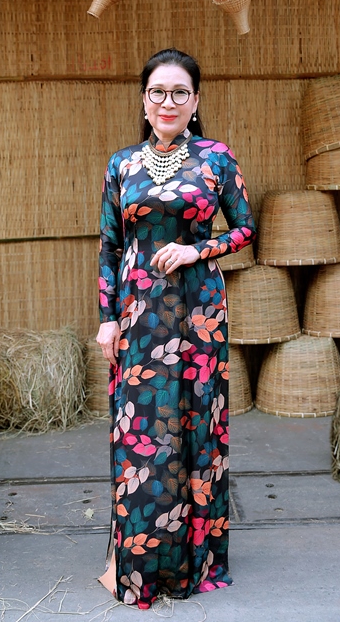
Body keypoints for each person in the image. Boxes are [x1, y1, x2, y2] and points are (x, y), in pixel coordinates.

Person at [96, 48, 256, 608]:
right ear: (144, 101)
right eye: (158, 92)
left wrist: (196, 250)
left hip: (198, 312)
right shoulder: (122, 164)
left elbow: (245, 229)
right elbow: (109, 246)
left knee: (194, 425)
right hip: (138, 314)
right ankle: (139, 560)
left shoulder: (216, 157)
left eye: (179, 92)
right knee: (141, 429)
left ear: (195, 100)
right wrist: (106, 319)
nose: (168, 102)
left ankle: (195, 557)